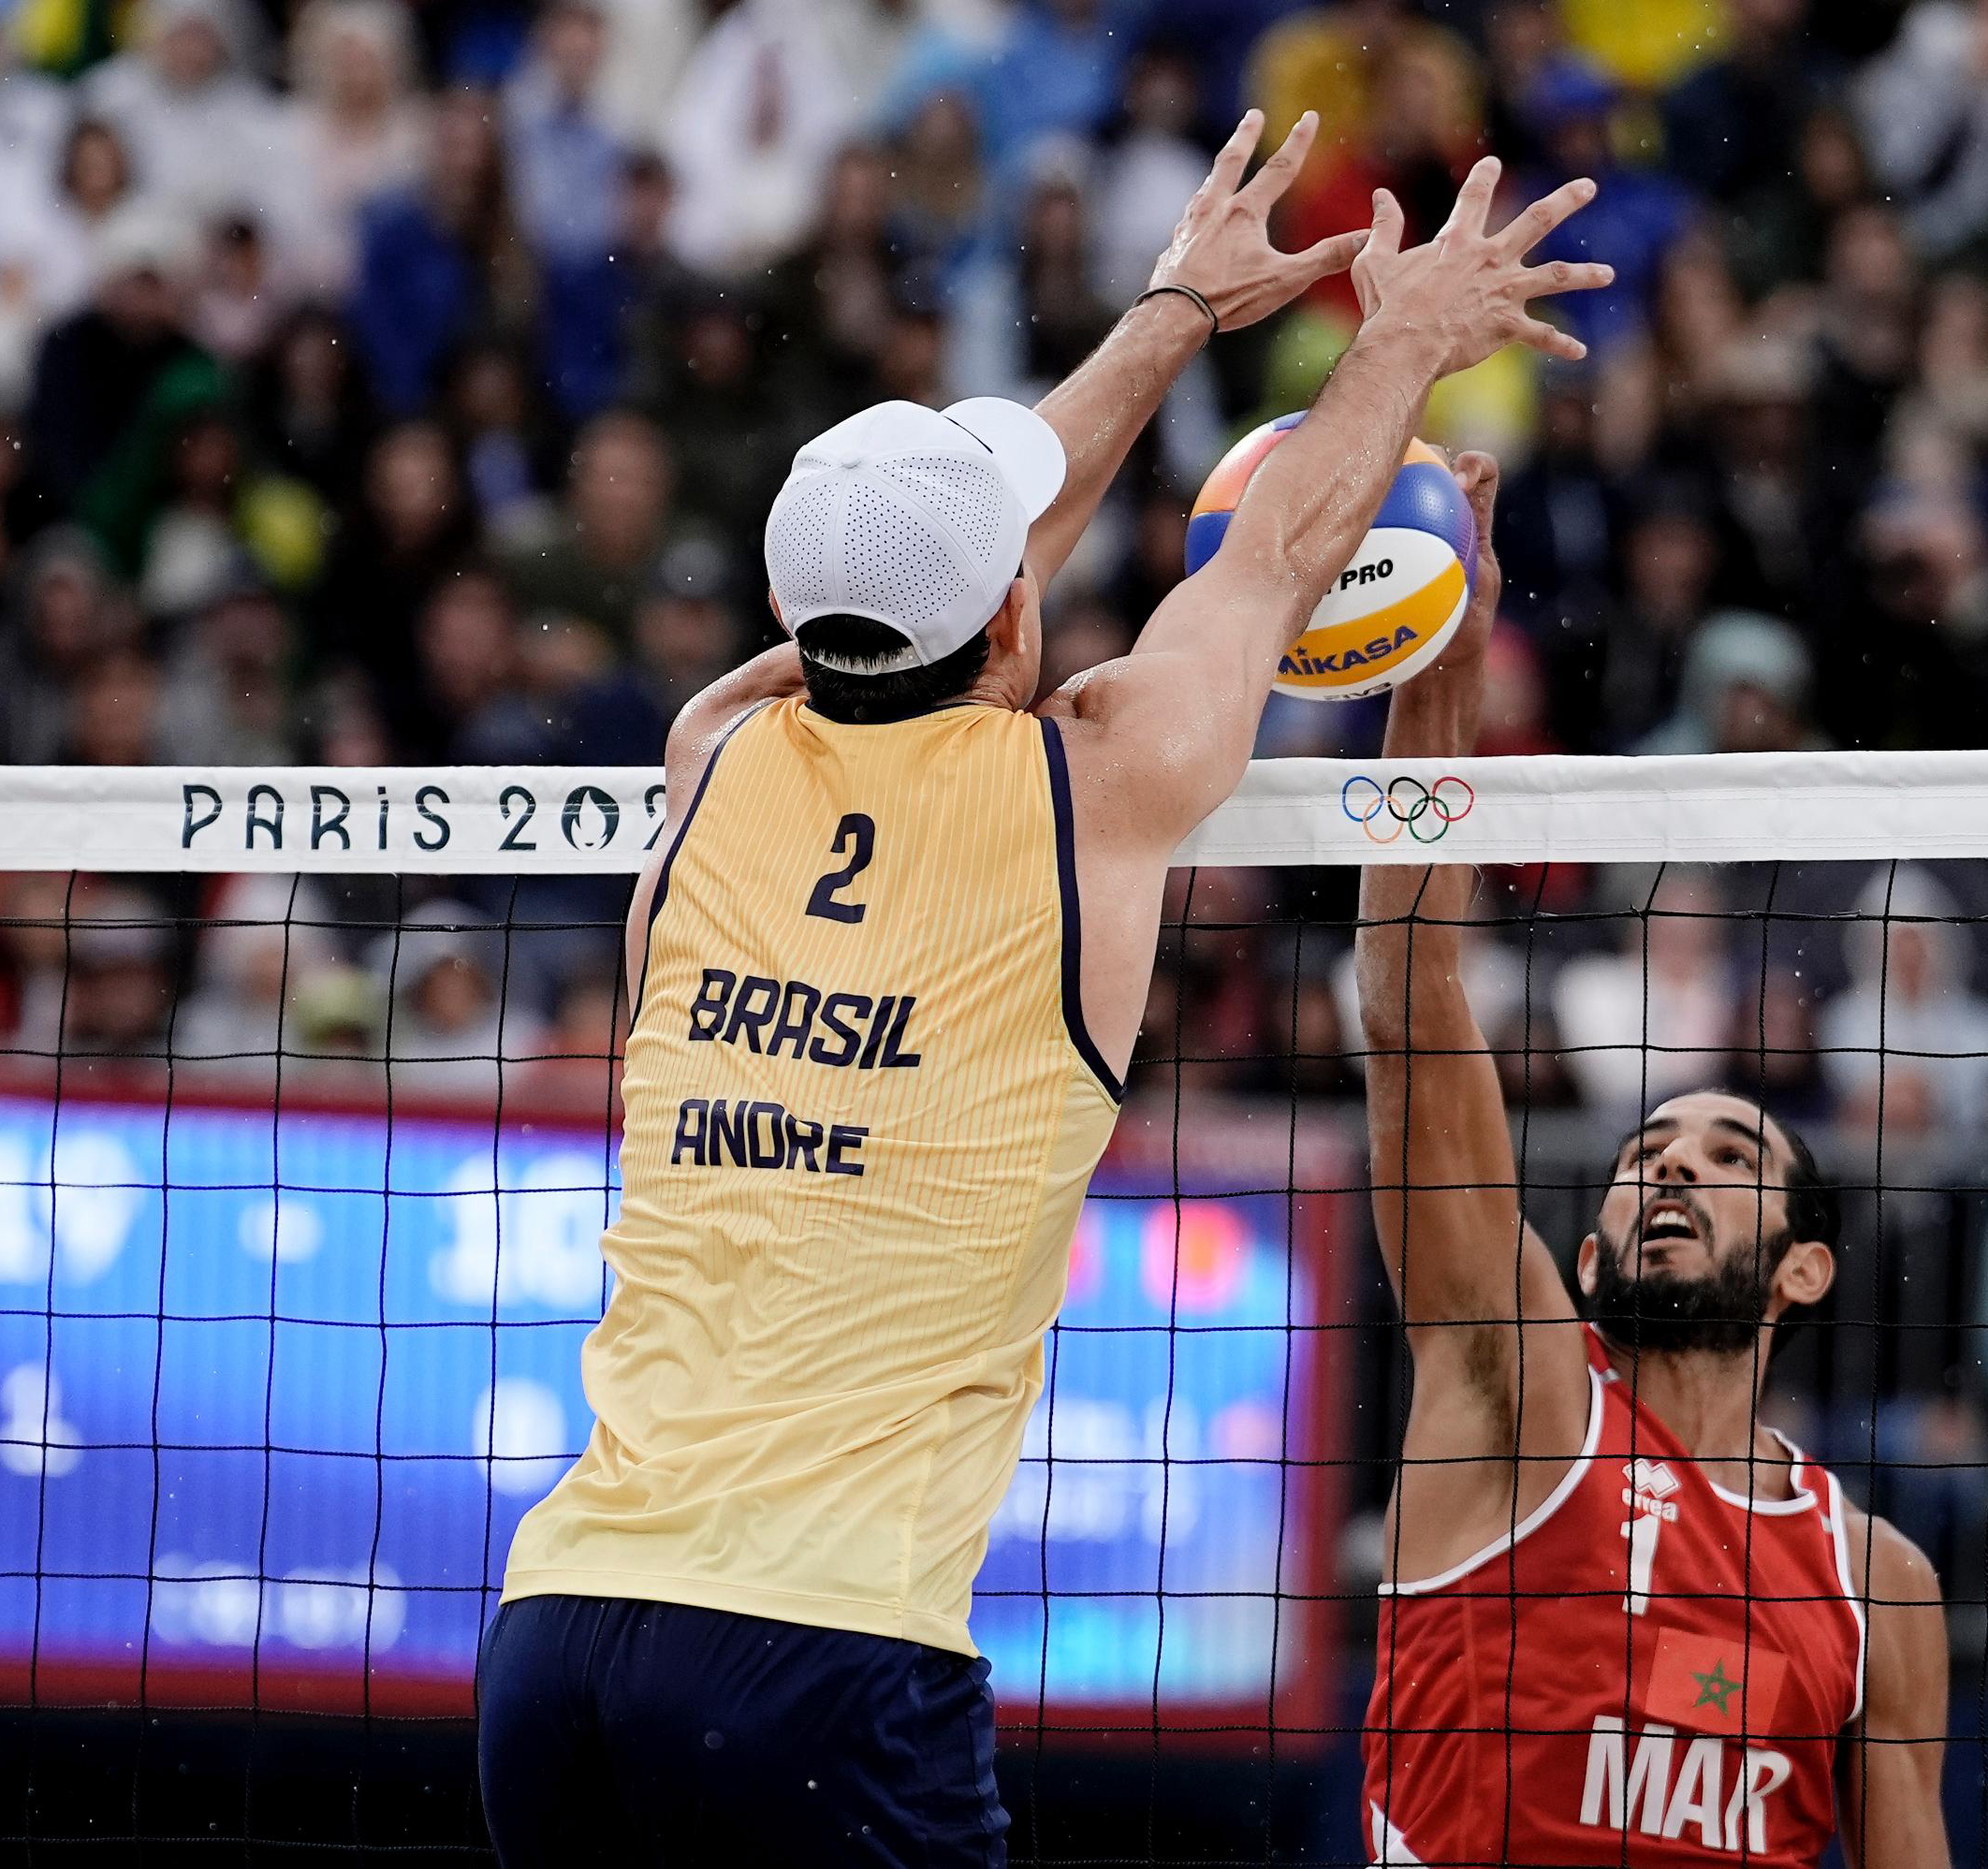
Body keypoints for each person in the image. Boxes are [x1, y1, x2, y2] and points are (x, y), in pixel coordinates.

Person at [475, 111, 1610, 1865]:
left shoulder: (711, 757)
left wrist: (1170, 312)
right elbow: (1279, 558)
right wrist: (1402, 340)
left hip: (553, 1644)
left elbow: (945, 596)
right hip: (826, 1659)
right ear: (1021, 609)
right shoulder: (1093, 789)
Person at [1352, 457, 1951, 1867]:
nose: (1672, 1168)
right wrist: (1440, 653)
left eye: (1730, 1149)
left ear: (1807, 1262)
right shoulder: (1517, 1384)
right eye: (1644, 1151)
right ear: (1586, 1248)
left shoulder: (1875, 1582)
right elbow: (1411, 1005)